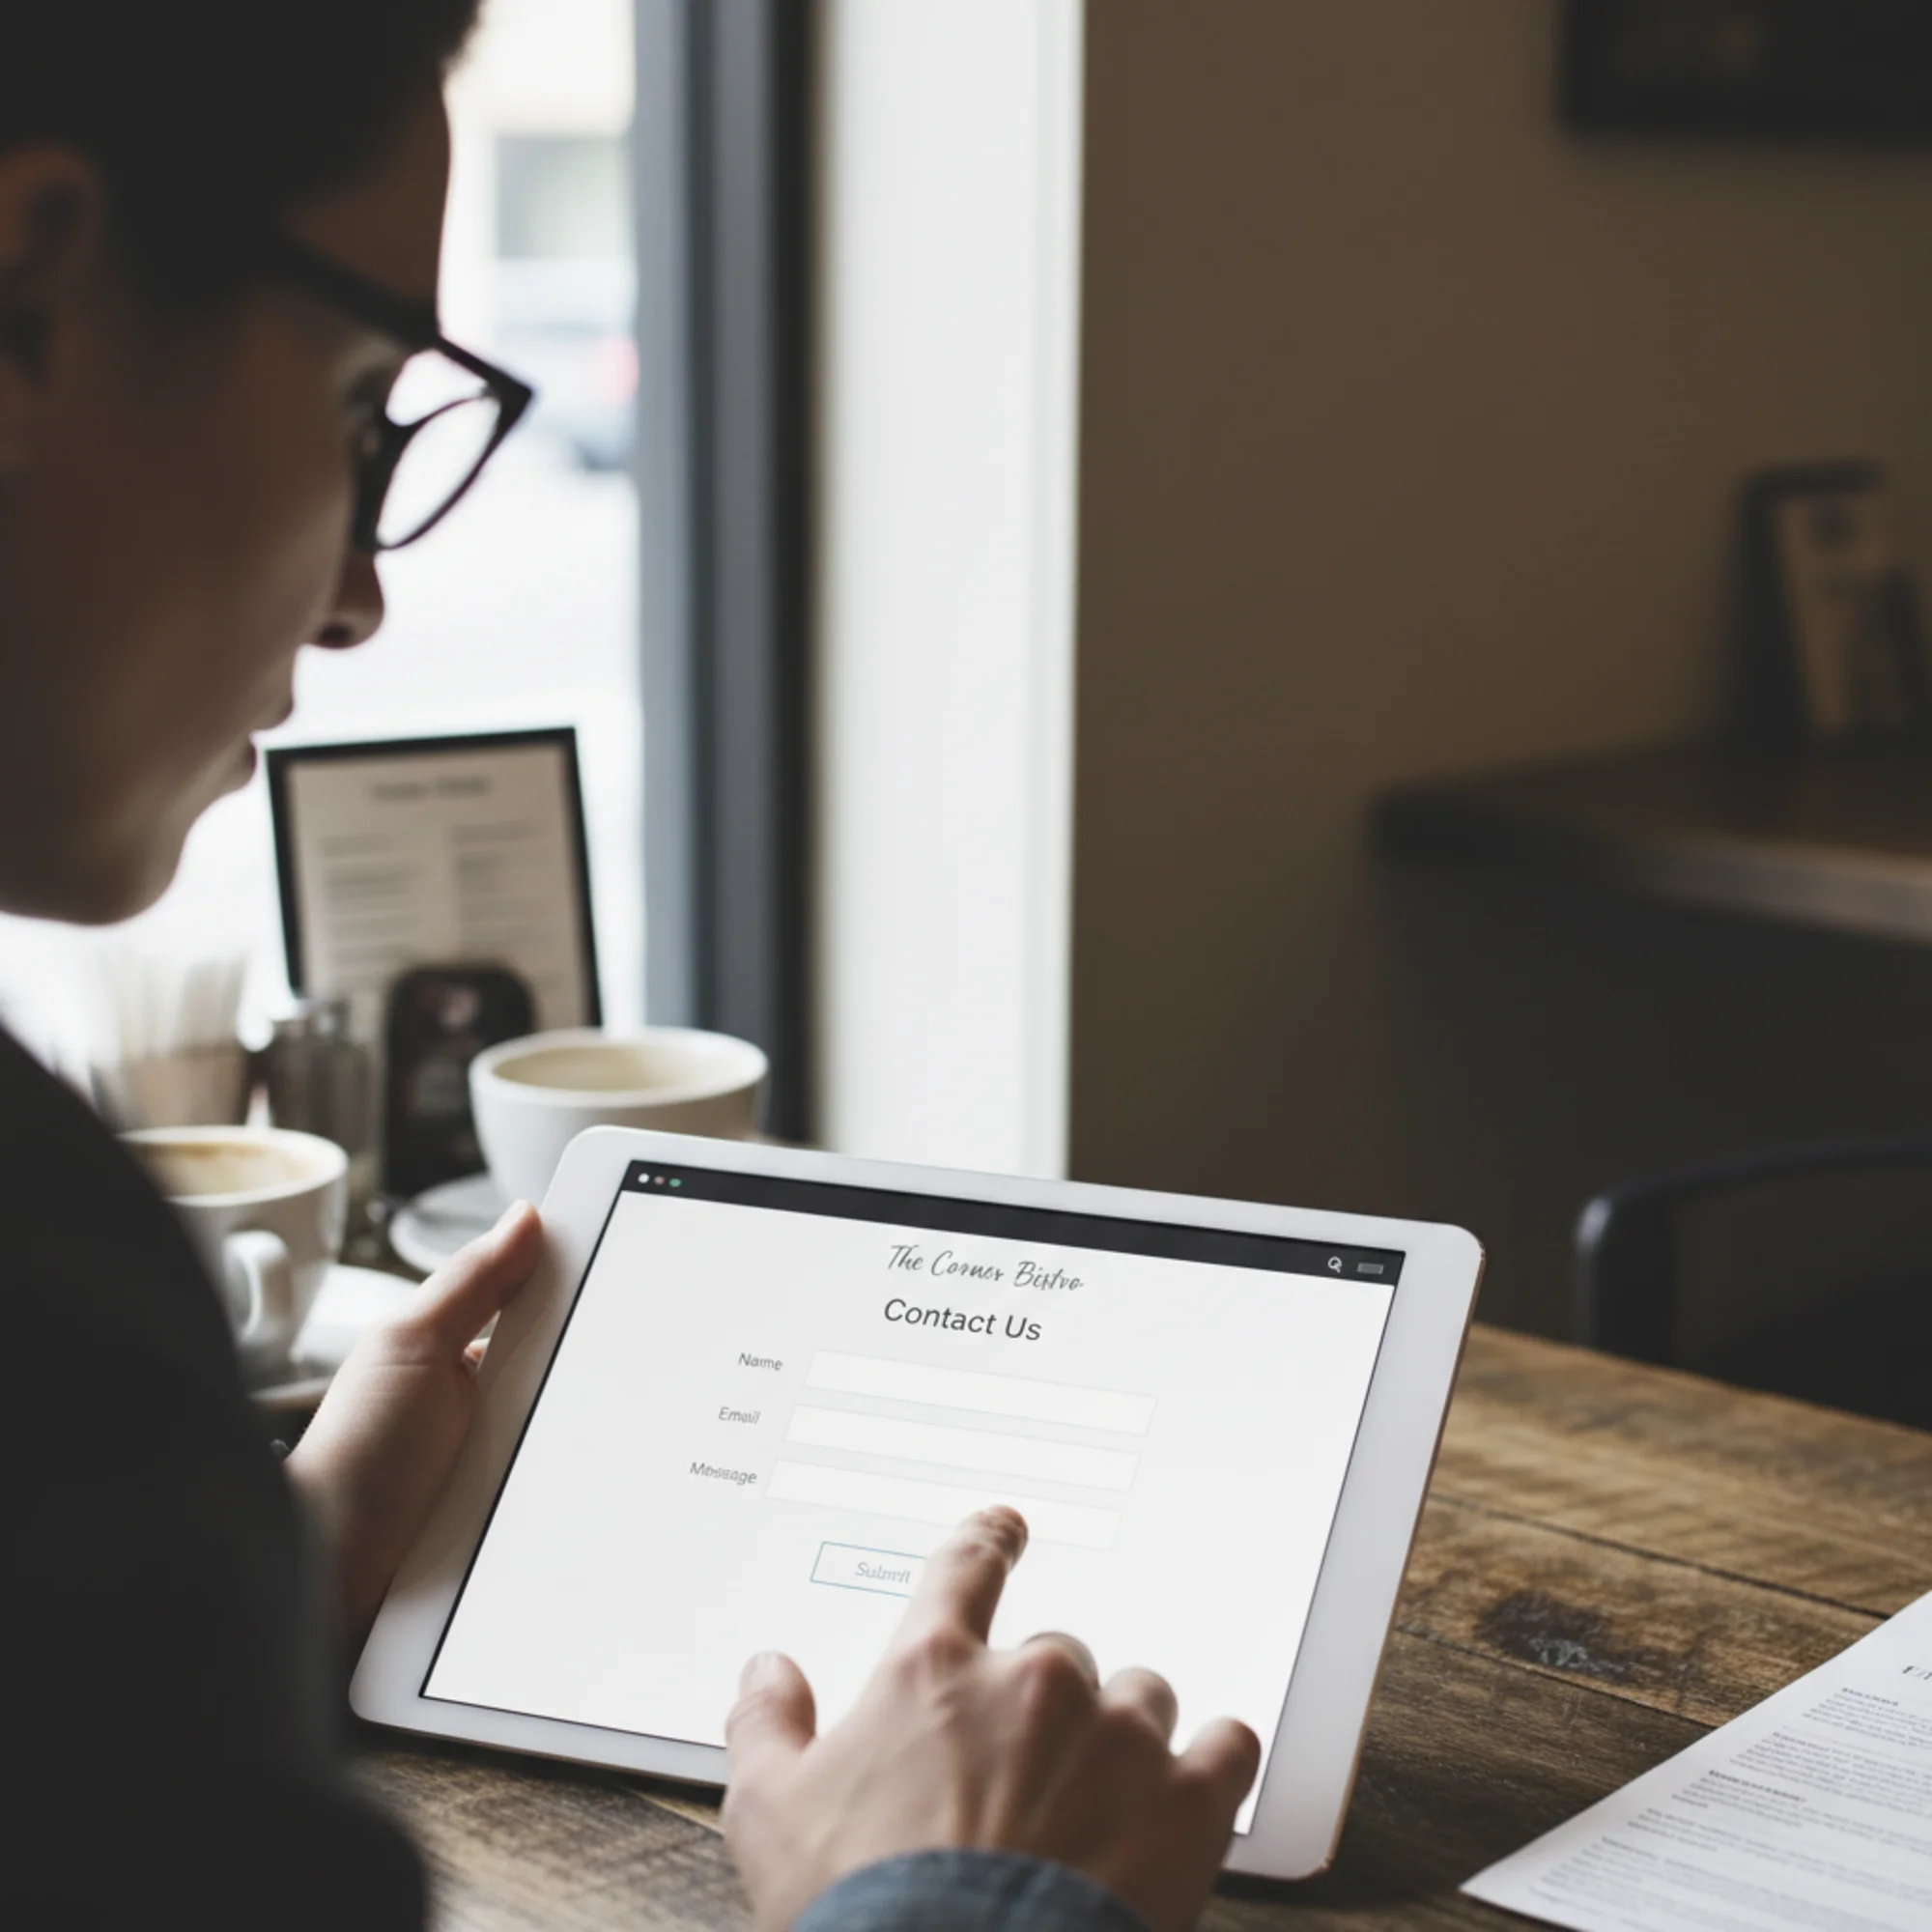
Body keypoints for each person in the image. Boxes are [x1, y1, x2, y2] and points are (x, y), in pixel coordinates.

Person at [0, 4, 1260, 1925]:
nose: (358, 599)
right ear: (31, 297)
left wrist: (247, 1584)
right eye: (362, 411)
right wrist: (952, 1896)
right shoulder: (51, 1292)